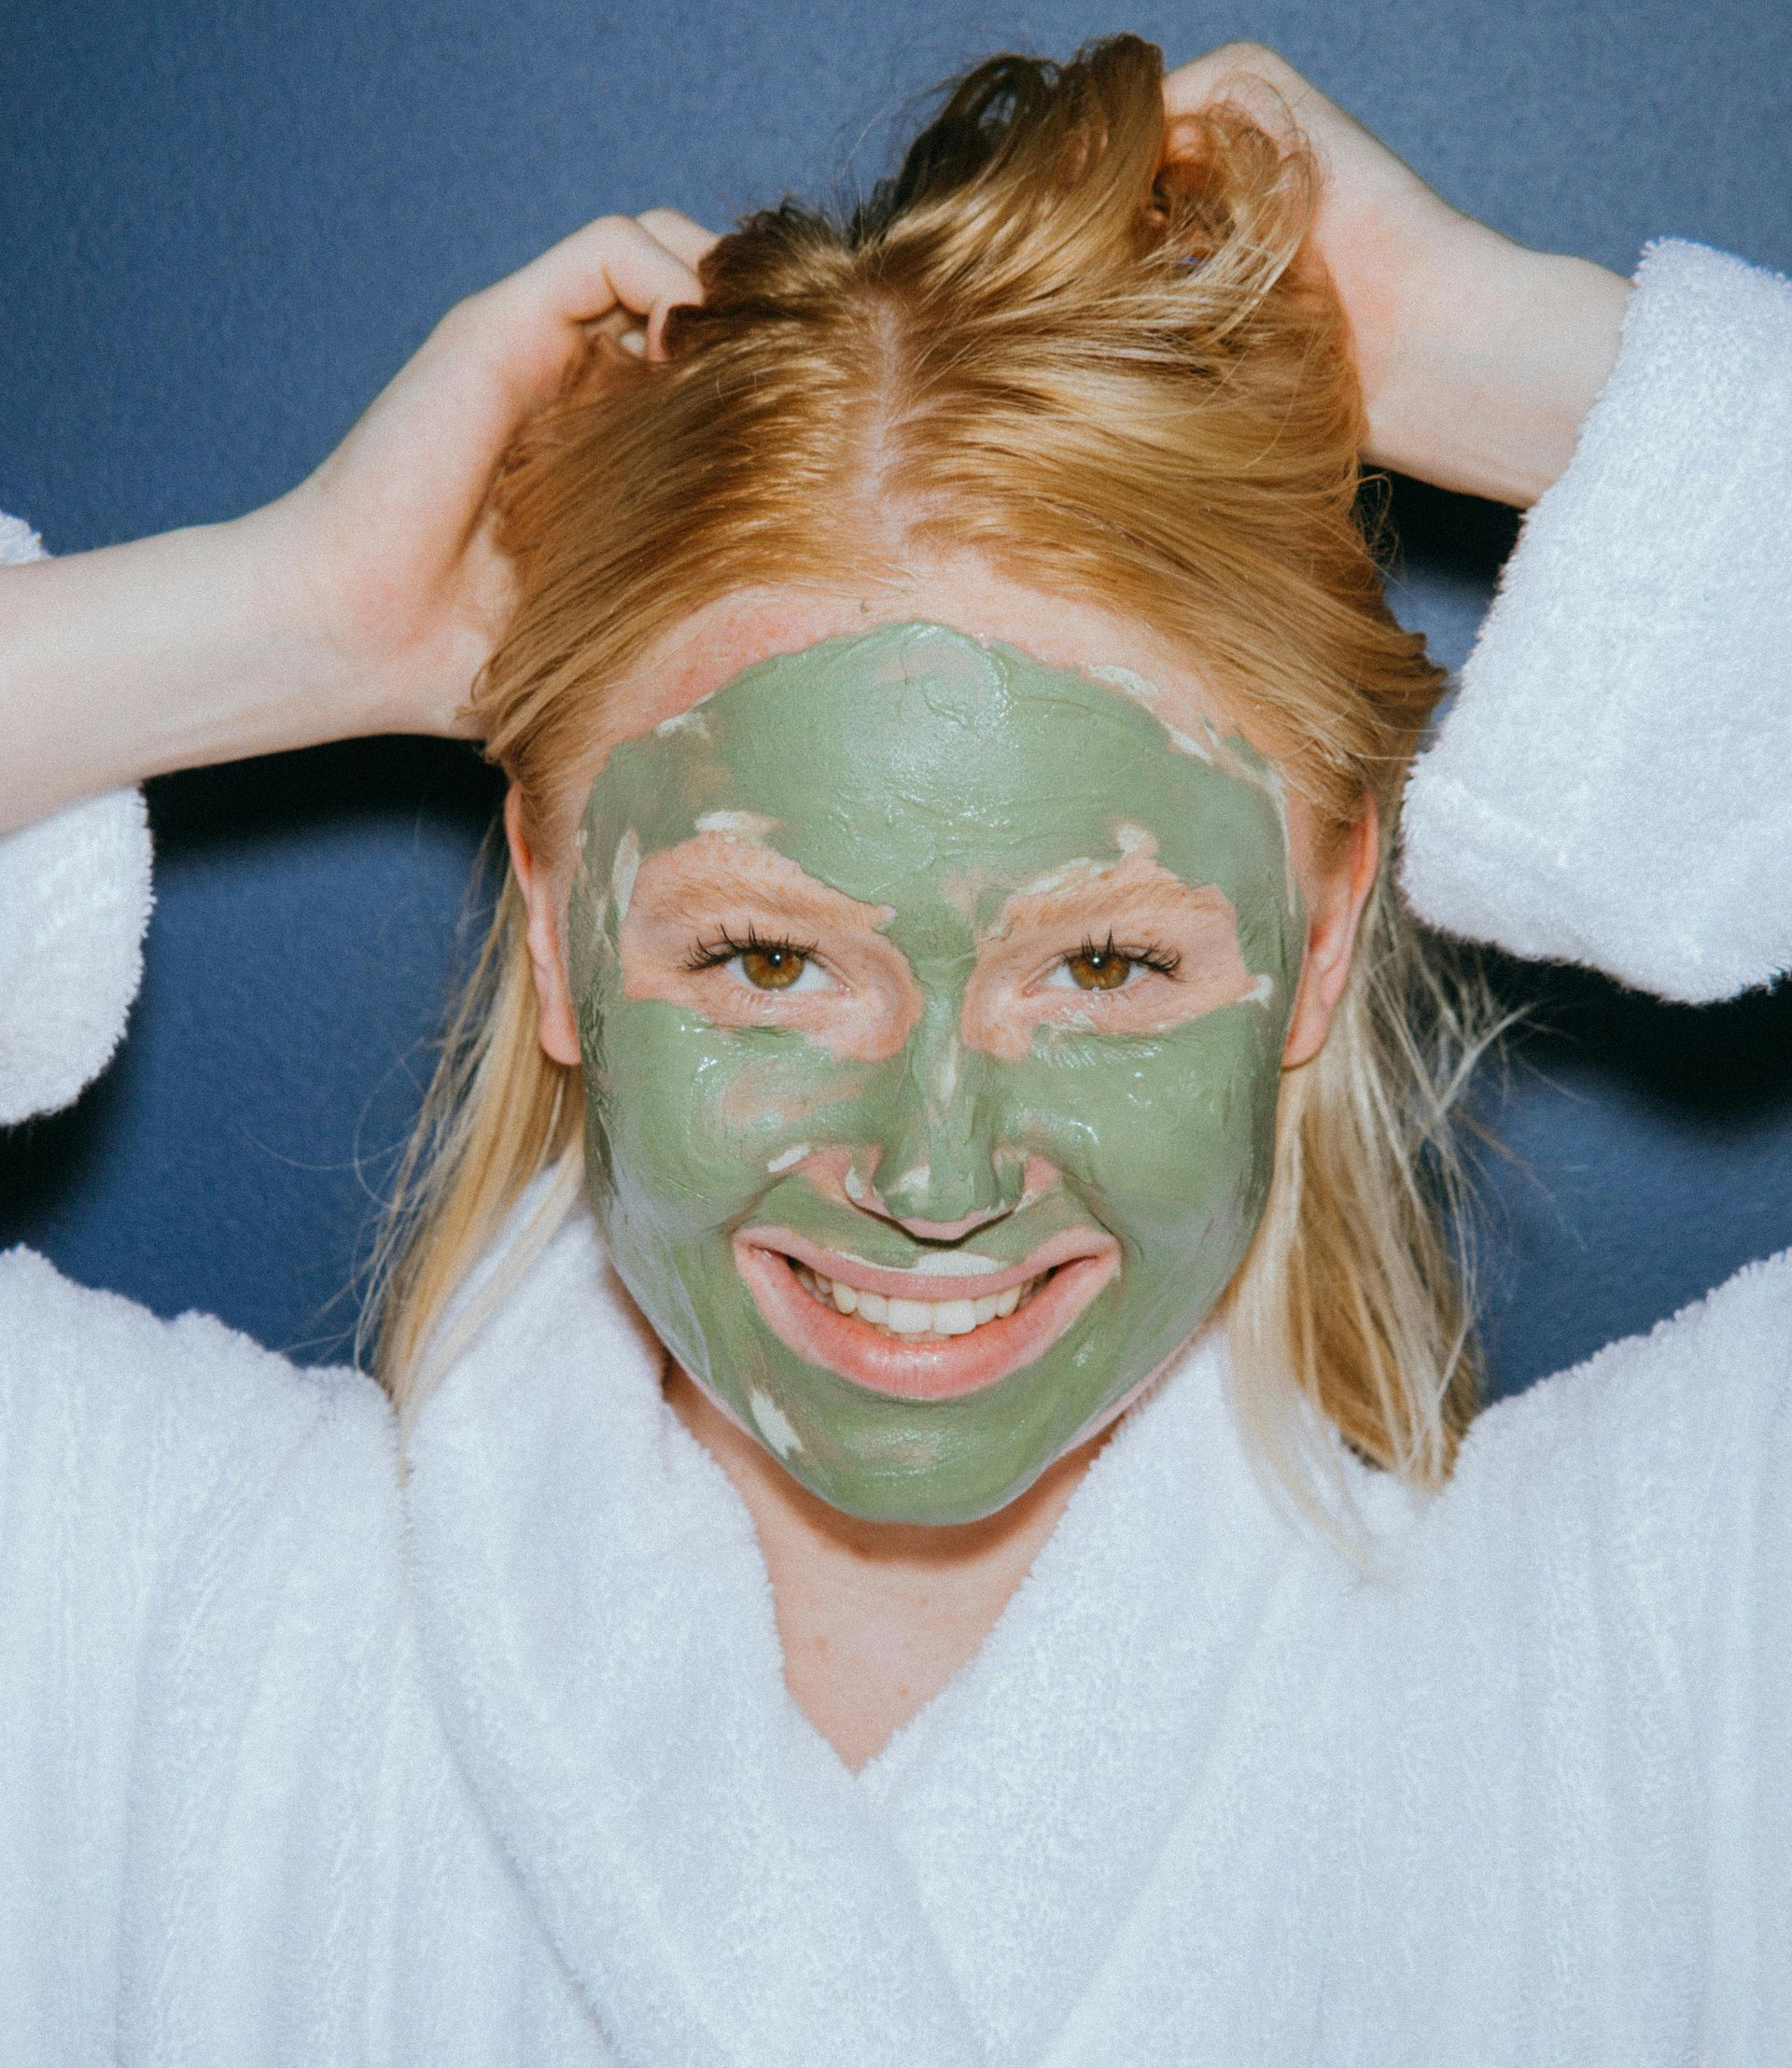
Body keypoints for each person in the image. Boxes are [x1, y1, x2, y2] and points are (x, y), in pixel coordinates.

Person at [1, 33, 1787, 2064]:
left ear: (1315, 938)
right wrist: (288, 616)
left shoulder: (1660, 1661)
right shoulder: (147, 1638)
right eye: (768, 958)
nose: (936, 1177)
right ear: (564, 932)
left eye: (1104, 967)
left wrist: (1493, 350)